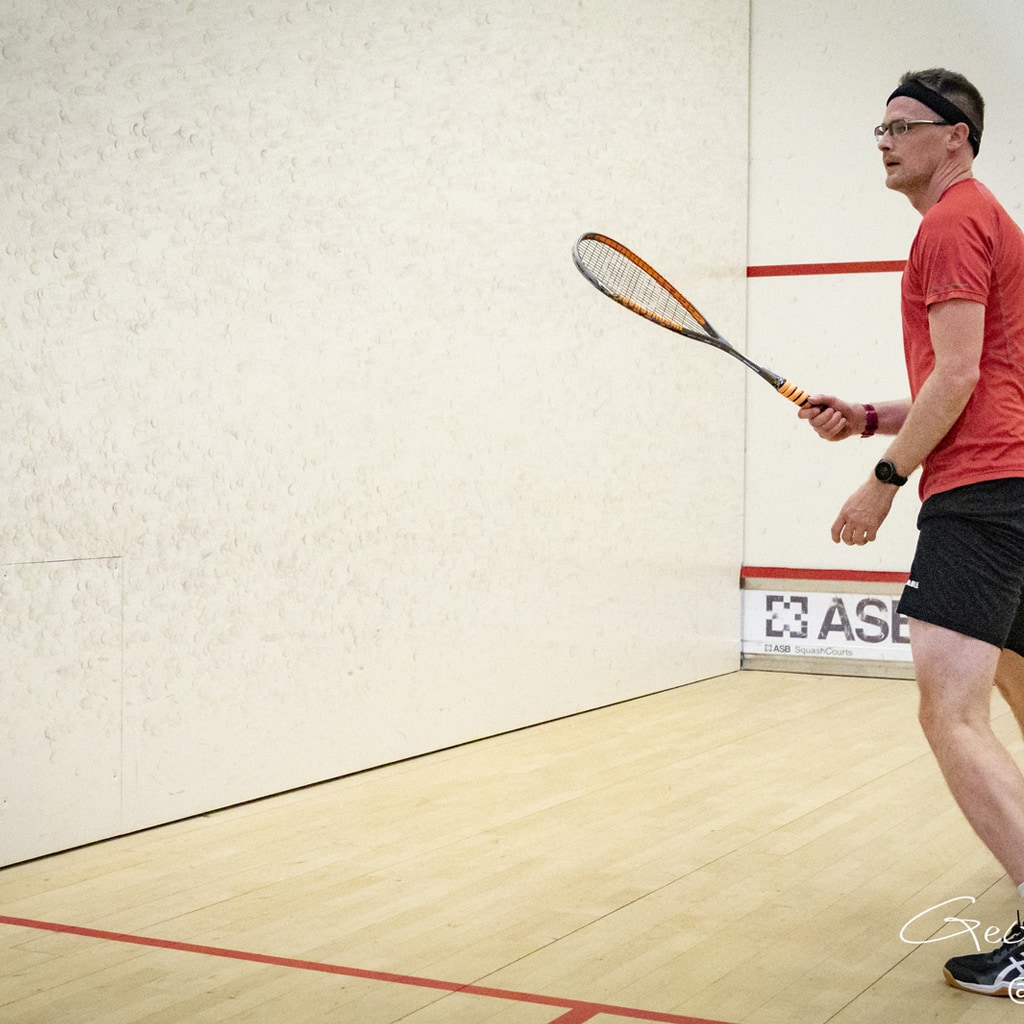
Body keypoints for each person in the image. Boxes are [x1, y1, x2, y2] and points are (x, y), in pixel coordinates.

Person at [799, 68, 1024, 997]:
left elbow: (962, 375)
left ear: (956, 137)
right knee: (1011, 685)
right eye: (879, 127)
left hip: (978, 497)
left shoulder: (948, 223)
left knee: (950, 712)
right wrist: (870, 414)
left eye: (904, 126)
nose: (885, 141)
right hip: (1015, 478)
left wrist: (882, 481)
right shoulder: (991, 221)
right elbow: (980, 374)